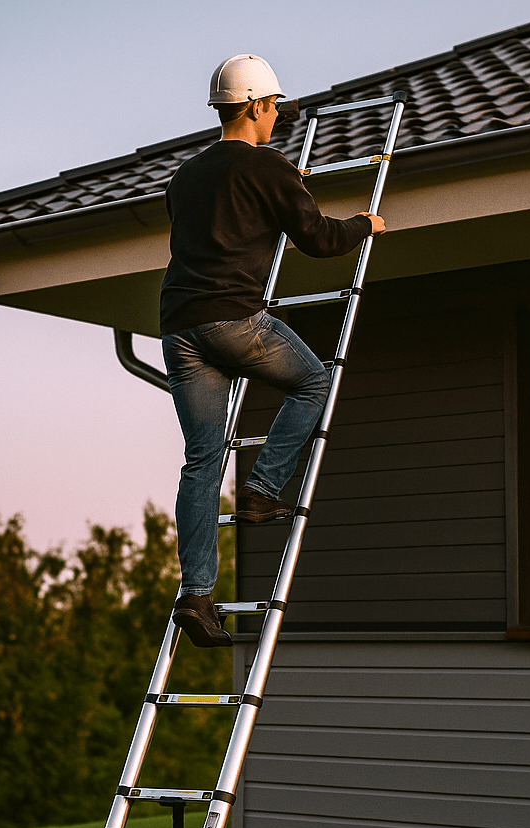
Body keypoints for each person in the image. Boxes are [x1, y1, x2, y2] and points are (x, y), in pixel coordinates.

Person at [160, 54, 386, 648]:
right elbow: (317, 239)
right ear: (258, 105)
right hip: (233, 320)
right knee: (314, 382)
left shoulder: (184, 177)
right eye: (276, 105)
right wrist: (365, 225)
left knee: (201, 462)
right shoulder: (270, 168)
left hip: (179, 327)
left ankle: (198, 598)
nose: (279, 114)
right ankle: (262, 493)